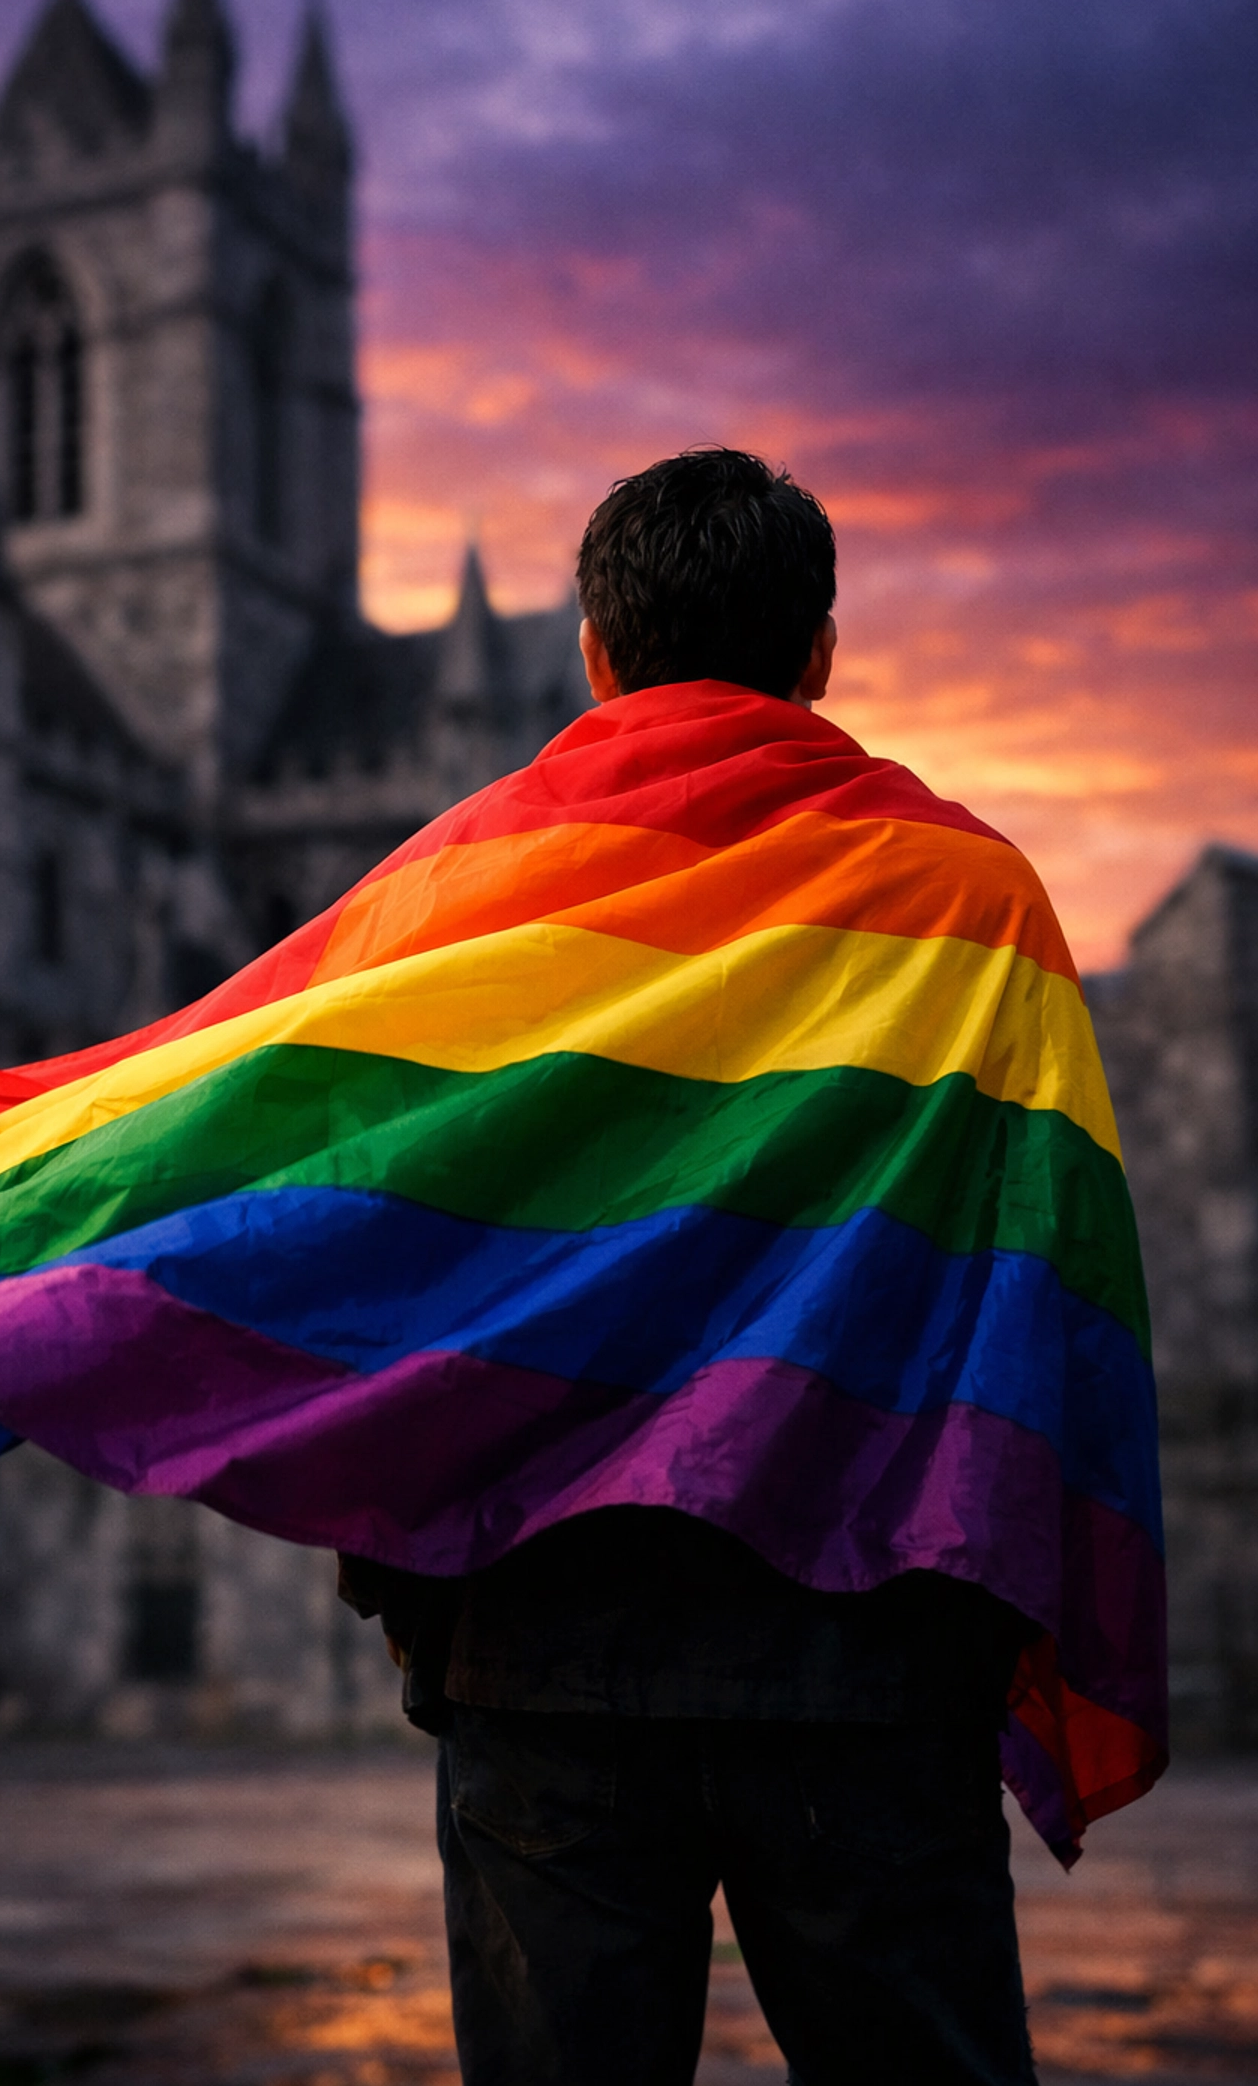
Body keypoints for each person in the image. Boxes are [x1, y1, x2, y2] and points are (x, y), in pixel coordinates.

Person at [340, 447, 1040, 2086]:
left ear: (592, 652)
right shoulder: (969, 901)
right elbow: (1027, 1296)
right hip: (868, 1655)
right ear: (819, 657)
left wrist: (417, 1603)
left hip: (538, 1654)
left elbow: (375, 1270)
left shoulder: (448, 905)